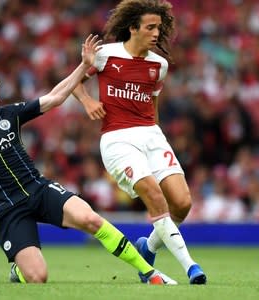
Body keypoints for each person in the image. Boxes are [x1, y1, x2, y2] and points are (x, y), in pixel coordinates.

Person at [0, 34, 175, 284]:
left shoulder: (10, 115)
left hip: (37, 189)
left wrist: (84, 65)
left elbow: (56, 96)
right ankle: (18, 269)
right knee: (38, 277)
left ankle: (149, 272)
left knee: (91, 219)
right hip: (8, 209)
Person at [72, 0, 206, 284]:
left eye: (159, 27)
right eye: (150, 27)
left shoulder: (160, 65)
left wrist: (156, 138)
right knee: (155, 196)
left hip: (151, 135)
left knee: (182, 203)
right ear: (133, 28)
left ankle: (148, 246)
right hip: (118, 138)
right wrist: (87, 101)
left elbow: (152, 105)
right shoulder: (105, 54)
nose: (157, 33)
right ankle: (191, 267)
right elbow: (74, 80)